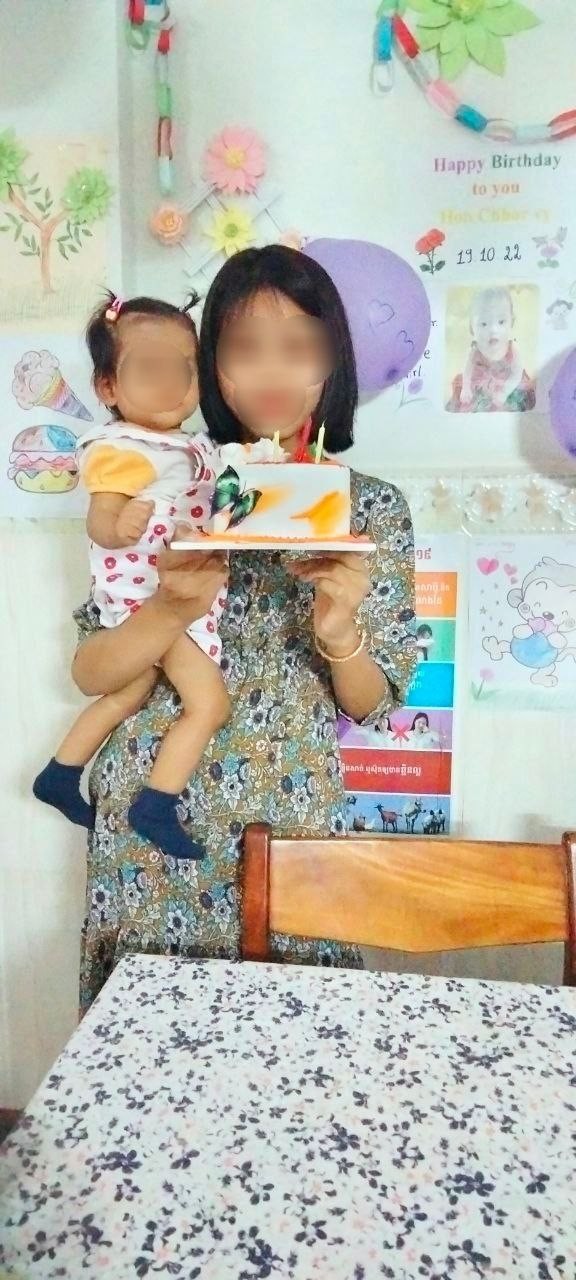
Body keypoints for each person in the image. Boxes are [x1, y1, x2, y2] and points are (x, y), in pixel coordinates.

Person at [71, 244, 417, 1011]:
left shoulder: (370, 508)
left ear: (334, 360)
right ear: (210, 362)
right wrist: (169, 609)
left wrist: (339, 632)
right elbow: (92, 673)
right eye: (244, 347)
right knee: (149, 1050)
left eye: (300, 347)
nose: (272, 372)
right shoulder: (167, 484)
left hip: (288, 825)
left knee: (300, 1044)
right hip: (150, 827)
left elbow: (372, 705)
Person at [33, 294, 228, 861]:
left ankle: (60, 771)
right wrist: (121, 526)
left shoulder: (189, 448)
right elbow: (99, 522)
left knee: (132, 687)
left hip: (169, 590)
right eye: (149, 368)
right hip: (148, 596)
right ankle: (156, 803)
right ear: (108, 387)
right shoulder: (122, 448)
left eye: (183, 368)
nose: (170, 383)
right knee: (209, 704)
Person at [447, 286, 536, 413]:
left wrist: (504, 392)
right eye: (484, 324)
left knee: (513, 405)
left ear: (512, 322)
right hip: (480, 385)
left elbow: (516, 374)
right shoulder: (475, 350)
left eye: (501, 322)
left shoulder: (512, 349)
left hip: (507, 384)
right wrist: (466, 388)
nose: (493, 330)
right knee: (470, 405)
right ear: (472, 327)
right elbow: (467, 371)